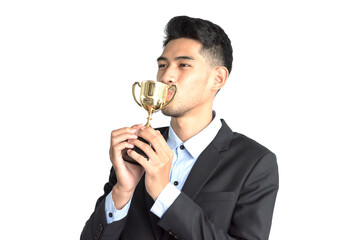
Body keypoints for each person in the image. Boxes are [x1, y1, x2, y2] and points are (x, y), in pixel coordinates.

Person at [81, 16, 279, 240]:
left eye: (183, 65)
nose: (166, 76)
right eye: (162, 65)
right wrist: (121, 192)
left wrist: (164, 194)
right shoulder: (137, 149)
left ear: (218, 78)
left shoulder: (255, 162)